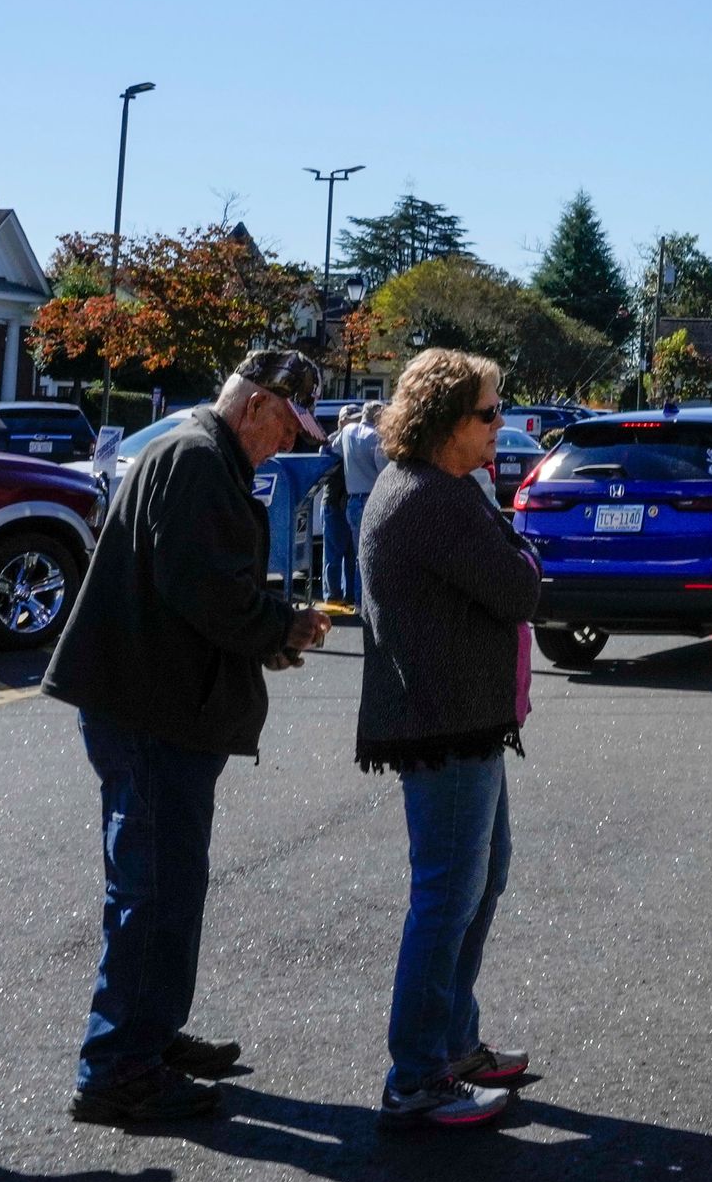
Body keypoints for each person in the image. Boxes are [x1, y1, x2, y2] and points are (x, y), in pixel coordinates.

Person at [44, 347, 334, 1125]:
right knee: (154, 886)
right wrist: (280, 625)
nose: (289, 443)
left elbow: (195, 587)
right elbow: (202, 587)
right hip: (149, 706)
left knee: (163, 883)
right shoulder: (202, 458)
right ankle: (119, 1066)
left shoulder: (192, 451)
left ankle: (146, 1036)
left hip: (151, 698)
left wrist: (267, 633)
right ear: (256, 406)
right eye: (287, 426)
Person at [355, 348, 546, 1130]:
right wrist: (519, 552)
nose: (503, 425)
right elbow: (521, 585)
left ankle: (452, 1043)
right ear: (444, 419)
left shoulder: (440, 488)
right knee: (446, 897)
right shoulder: (433, 498)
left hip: (455, 719)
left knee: (480, 880)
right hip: (445, 724)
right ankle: (418, 1074)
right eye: (489, 412)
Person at [330, 403, 387, 611]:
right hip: (371, 499)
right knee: (371, 553)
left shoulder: (347, 431)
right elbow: (384, 472)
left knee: (357, 553)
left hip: (352, 500)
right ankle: (366, 602)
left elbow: (330, 449)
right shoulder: (375, 437)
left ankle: (357, 599)